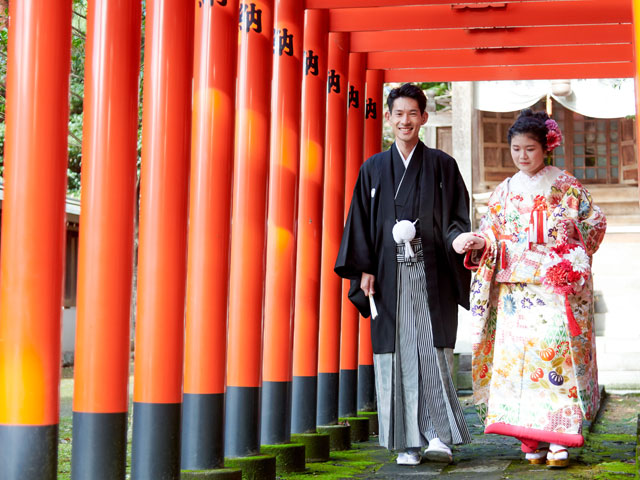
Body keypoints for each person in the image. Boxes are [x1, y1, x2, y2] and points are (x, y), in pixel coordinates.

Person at [455, 109, 606, 468]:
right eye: (517, 149)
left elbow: (594, 222)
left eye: (530, 149)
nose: (523, 156)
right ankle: (529, 439)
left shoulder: (566, 185)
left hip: (553, 289)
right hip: (513, 294)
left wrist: (571, 236)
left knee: (555, 362)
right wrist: (479, 242)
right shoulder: (503, 190)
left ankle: (559, 436)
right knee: (516, 368)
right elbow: (492, 231)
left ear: (546, 148)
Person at [335, 83, 472, 466]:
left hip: (434, 274)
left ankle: (439, 436)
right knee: (396, 357)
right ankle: (406, 442)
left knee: (434, 352)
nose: (406, 120)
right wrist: (362, 269)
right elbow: (360, 224)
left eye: (413, 113)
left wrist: (459, 240)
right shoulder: (374, 169)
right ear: (390, 118)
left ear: (424, 118)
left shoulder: (443, 165)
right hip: (388, 277)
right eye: (399, 114)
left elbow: (456, 218)